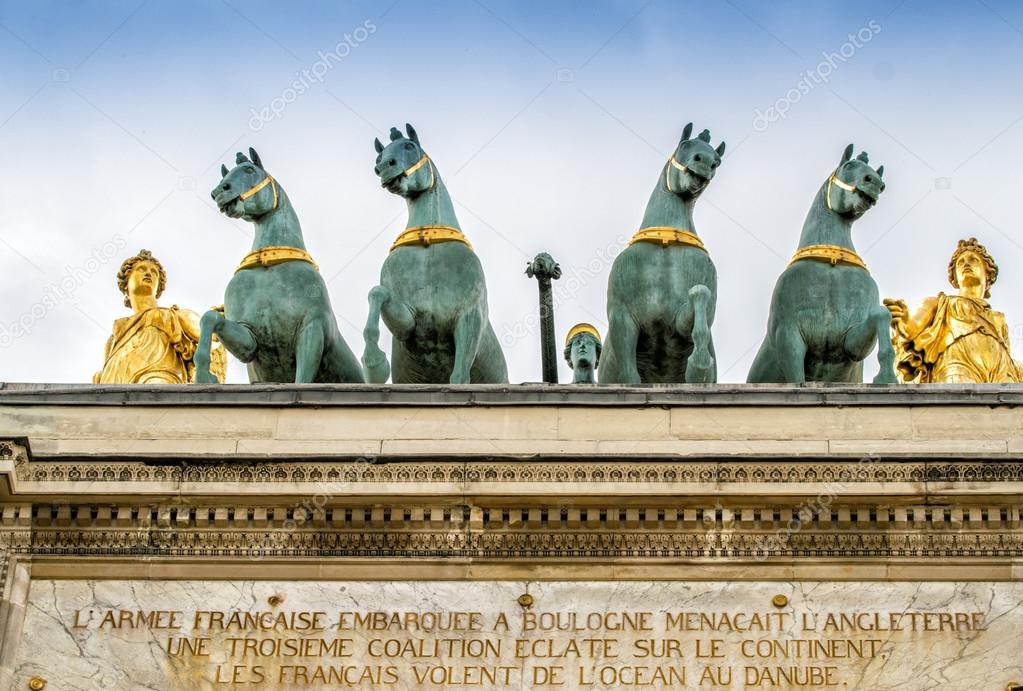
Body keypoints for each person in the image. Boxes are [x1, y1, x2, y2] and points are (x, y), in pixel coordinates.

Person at [885, 237, 1021, 383]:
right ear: (955, 277)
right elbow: (911, 328)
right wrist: (903, 320)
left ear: (988, 274)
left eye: (973, 260)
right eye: (960, 262)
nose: (966, 264)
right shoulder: (940, 304)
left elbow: (1005, 357)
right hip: (956, 369)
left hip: (1000, 375)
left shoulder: (998, 318)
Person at [93, 249, 225, 384]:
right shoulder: (114, 337)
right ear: (126, 283)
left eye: (154, 272)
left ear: (159, 286)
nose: (148, 273)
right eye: (141, 269)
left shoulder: (174, 316)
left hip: (158, 389)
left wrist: (223, 316)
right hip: (116, 396)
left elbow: (213, 336)